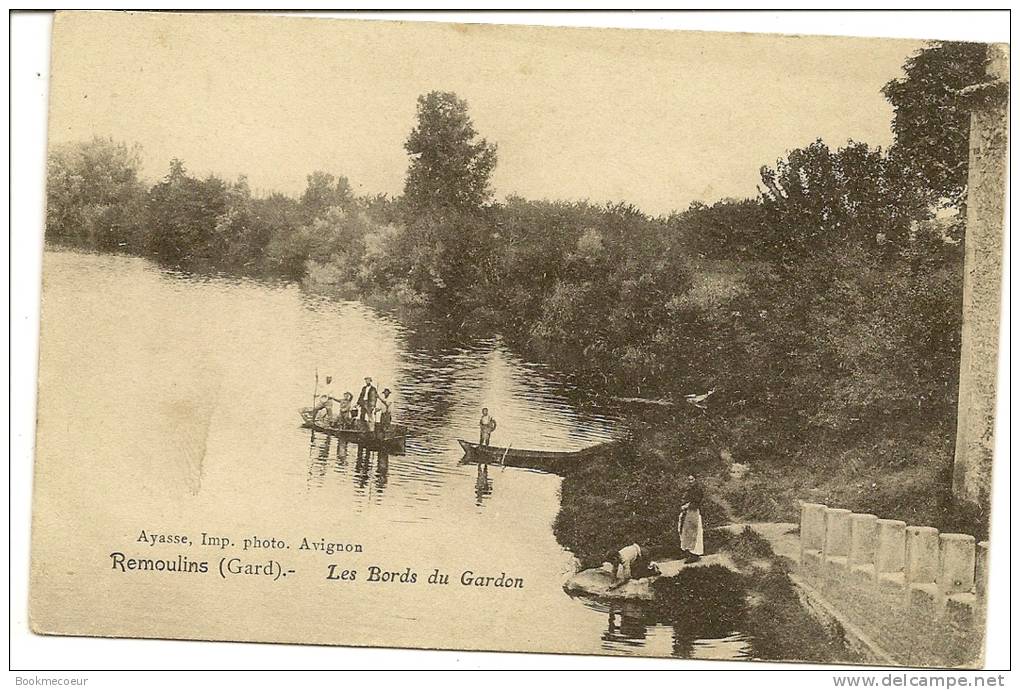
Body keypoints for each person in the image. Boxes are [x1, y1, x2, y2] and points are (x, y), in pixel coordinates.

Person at [678, 474, 705, 562]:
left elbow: (697, 501)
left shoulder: (698, 489)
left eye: (692, 479)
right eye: (689, 480)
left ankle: (695, 554)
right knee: (686, 531)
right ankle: (688, 552)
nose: (690, 481)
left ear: (696, 479)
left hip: (694, 512)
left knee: (695, 532)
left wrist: (687, 505)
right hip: (687, 513)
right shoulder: (689, 489)